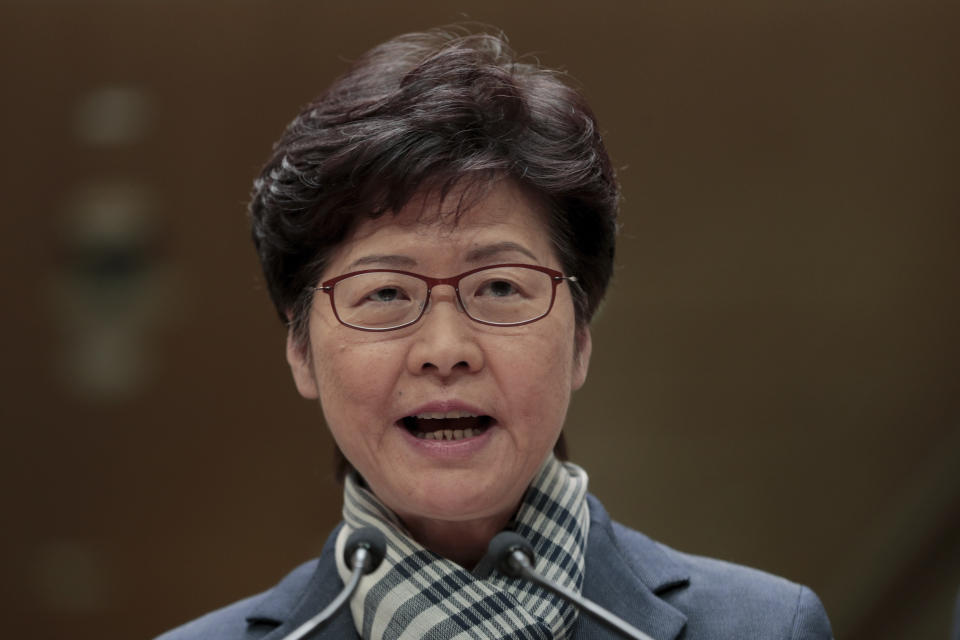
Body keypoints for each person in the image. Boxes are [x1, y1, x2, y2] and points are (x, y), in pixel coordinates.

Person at [159, 27, 833, 640]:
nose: (445, 350)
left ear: (581, 338)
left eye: (501, 288)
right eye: (387, 293)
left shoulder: (767, 627)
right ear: (301, 351)